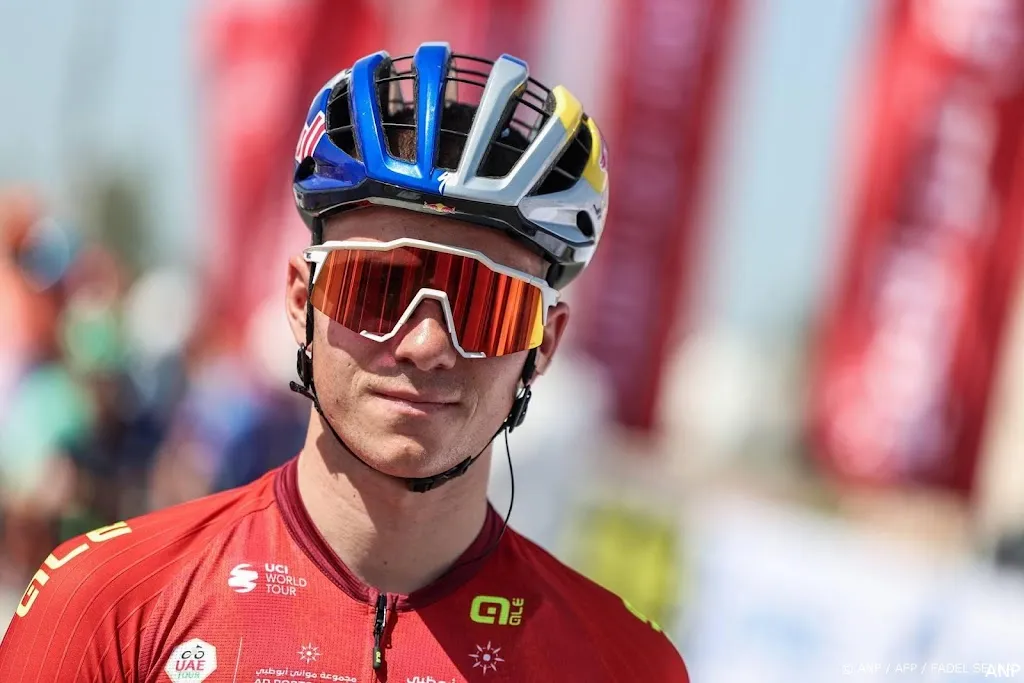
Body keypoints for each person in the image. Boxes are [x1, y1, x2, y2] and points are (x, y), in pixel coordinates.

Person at [0, 43, 689, 681]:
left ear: (543, 345)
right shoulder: (105, 603)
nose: (426, 344)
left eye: (483, 305)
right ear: (302, 301)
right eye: (379, 288)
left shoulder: (625, 667)